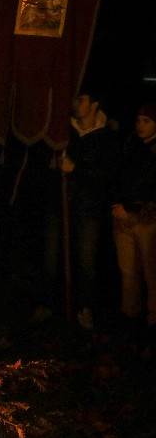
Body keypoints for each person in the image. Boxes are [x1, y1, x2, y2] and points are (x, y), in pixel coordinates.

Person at [46, 91, 120, 330]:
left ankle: (84, 308)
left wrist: (75, 170)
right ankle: (52, 305)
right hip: (61, 205)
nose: (76, 103)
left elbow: (105, 175)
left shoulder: (105, 137)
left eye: (82, 99)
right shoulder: (65, 132)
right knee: (52, 256)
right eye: (75, 98)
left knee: (86, 260)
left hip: (89, 207)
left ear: (95, 104)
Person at [110, 103, 156, 337]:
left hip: (147, 218)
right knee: (128, 271)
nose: (141, 125)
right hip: (123, 215)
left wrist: (143, 209)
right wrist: (117, 205)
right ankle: (130, 318)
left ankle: (152, 319)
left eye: (146, 121)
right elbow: (117, 176)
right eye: (139, 120)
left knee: (151, 271)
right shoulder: (129, 146)